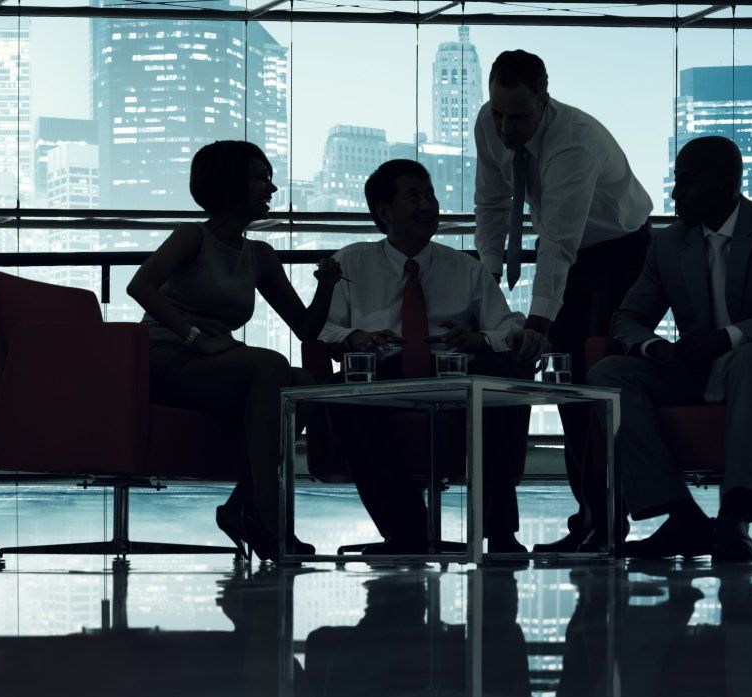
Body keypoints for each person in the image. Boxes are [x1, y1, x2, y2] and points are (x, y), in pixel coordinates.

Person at [590, 136, 752, 561]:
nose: (674, 194)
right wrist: (656, 349)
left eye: (687, 182)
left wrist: (731, 336)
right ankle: (682, 516)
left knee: (748, 357)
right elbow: (626, 319)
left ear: (726, 184)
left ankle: (735, 518)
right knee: (608, 374)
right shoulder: (669, 244)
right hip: (691, 372)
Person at [473, 49, 655, 553]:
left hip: (621, 252)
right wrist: (486, 280)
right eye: (499, 113)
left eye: (519, 116)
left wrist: (538, 320)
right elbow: (490, 204)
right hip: (575, 255)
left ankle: (608, 516)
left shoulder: (573, 141)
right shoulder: (488, 125)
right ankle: (593, 515)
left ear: (544, 101)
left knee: (591, 380)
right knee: (567, 379)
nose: (507, 128)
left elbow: (557, 241)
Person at [127, 140, 341, 562]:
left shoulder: (259, 255)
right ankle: (268, 513)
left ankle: (241, 507)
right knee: (272, 366)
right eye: (261, 177)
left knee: (303, 385)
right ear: (230, 183)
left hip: (214, 363)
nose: (272, 188)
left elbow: (306, 328)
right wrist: (193, 336)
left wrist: (326, 285)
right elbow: (140, 286)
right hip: (165, 358)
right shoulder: (193, 237)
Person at [317, 159, 542, 554]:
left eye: (431, 194)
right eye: (414, 196)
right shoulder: (352, 262)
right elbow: (322, 328)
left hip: (452, 367)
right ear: (385, 213)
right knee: (341, 391)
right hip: (384, 370)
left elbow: (508, 326)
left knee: (493, 373)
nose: (428, 204)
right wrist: (356, 336)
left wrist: (479, 339)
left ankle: (500, 534)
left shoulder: (464, 267)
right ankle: (408, 532)